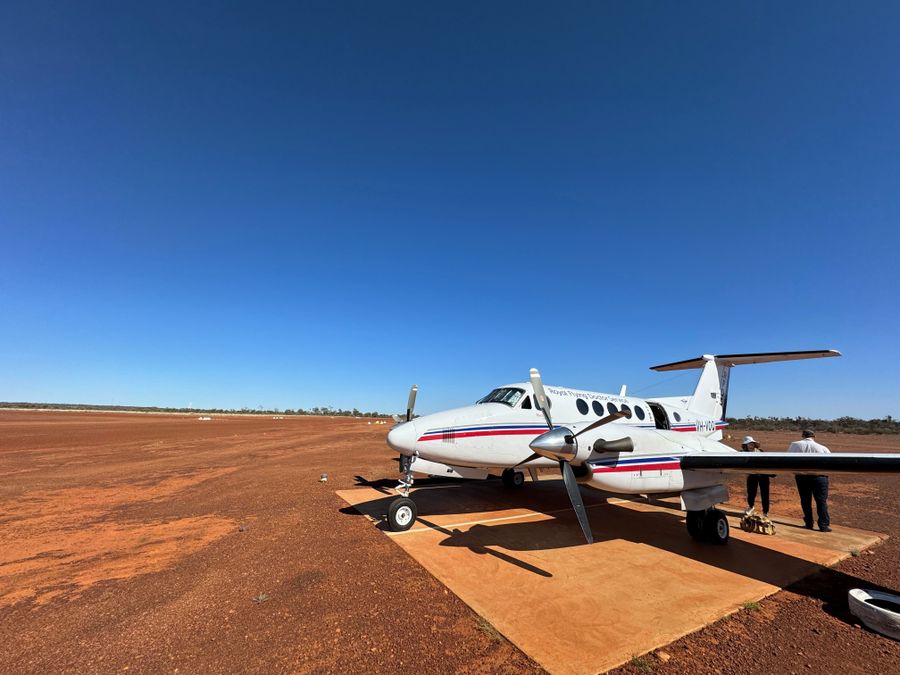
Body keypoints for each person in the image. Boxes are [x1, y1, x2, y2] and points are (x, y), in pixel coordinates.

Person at [788, 429, 832, 532]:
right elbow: (830, 461)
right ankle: (824, 525)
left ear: (803, 436)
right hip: (819, 477)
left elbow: (789, 458)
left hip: (802, 476)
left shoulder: (795, 445)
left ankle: (808, 523)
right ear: (814, 436)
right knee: (821, 501)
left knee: (805, 500)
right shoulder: (823, 448)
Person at [740, 436, 769, 516]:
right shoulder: (742, 453)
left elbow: (766, 462)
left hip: (763, 475)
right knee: (751, 492)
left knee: (765, 493)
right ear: (745, 445)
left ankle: (765, 512)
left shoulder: (761, 452)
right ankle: (751, 506)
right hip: (752, 475)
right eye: (749, 443)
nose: (751, 445)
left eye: (752, 443)